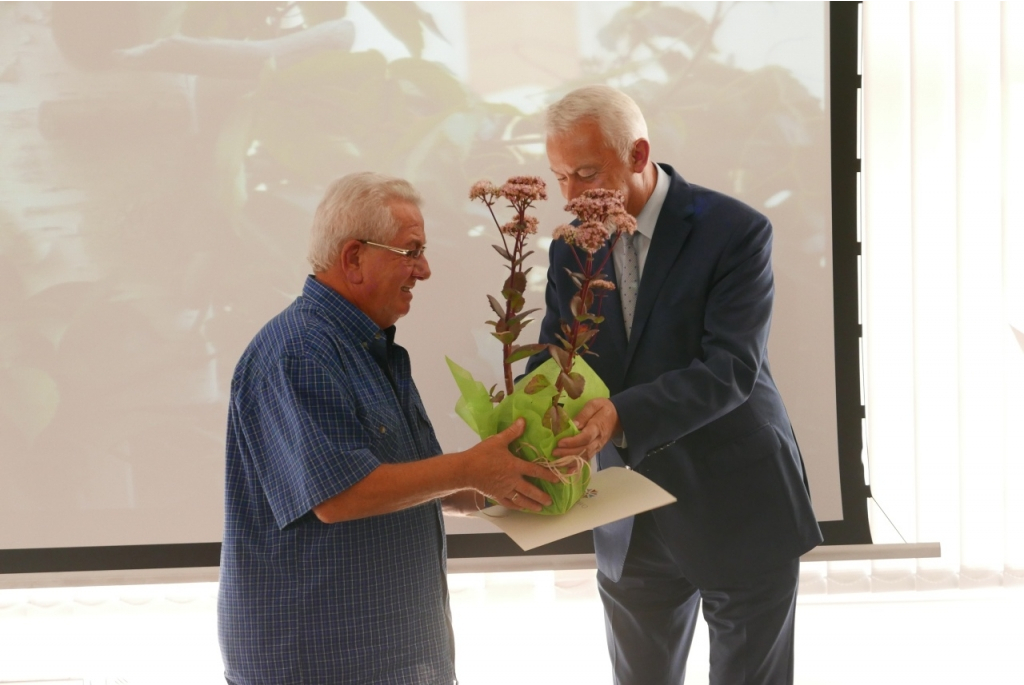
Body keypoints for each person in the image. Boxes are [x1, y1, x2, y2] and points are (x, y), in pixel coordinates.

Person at [528, 85, 824, 684]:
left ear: (638, 154)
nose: (573, 195)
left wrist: (617, 414)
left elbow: (730, 370)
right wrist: (532, 410)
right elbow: (559, 351)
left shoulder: (736, 231)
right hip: (629, 521)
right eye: (560, 177)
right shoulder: (569, 249)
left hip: (739, 507)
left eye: (587, 173)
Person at [217, 172, 559, 685]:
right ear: (353, 257)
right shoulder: (302, 352)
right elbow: (340, 497)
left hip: (388, 653)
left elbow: (418, 483)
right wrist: (471, 468)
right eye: (411, 251)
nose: (424, 270)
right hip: (325, 663)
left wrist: (515, 482)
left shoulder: (368, 349)